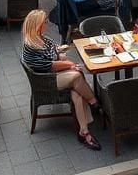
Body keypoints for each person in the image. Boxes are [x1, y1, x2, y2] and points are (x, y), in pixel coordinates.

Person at [21, 9, 101, 150]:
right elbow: (47, 65)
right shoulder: (31, 46)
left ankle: (84, 132)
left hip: (54, 74)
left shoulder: (43, 39)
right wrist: (69, 64)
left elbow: (54, 56)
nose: (47, 23)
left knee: (77, 92)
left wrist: (63, 57)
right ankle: (94, 101)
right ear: (38, 25)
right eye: (45, 21)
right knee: (77, 76)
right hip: (46, 81)